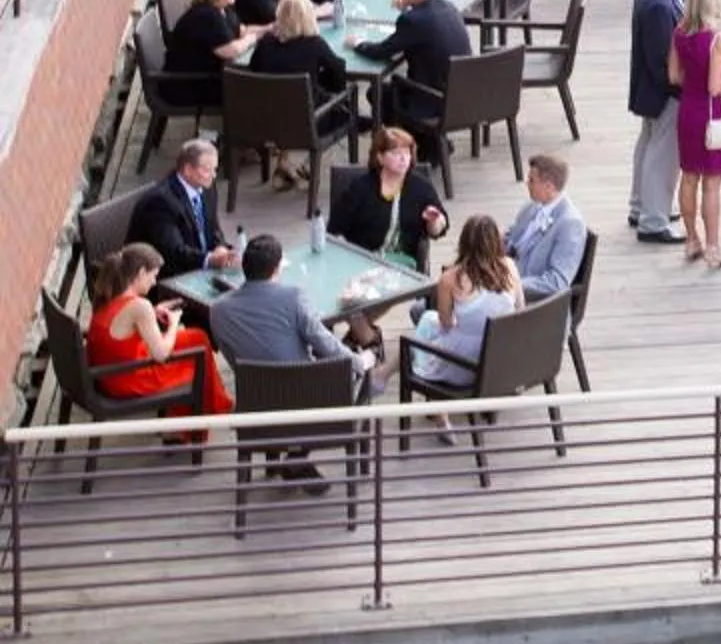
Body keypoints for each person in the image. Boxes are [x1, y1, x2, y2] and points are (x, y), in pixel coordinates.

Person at [209, 235, 378, 431]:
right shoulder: (293, 297)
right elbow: (325, 343)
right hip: (302, 399)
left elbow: (233, 358)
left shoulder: (218, 311)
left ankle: (294, 458)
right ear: (277, 268)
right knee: (359, 367)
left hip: (256, 402)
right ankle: (301, 454)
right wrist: (361, 361)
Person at [86, 242, 234, 421]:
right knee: (198, 359)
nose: (154, 281)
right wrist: (174, 324)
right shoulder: (140, 306)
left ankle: (215, 406)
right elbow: (161, 354)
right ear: (140, 273)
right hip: (127, 380)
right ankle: (191, 424)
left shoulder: (110, 293)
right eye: (153, 275)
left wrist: (153, 312)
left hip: (109, 373)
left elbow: (121, 323)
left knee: (197, 337)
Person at [626, 0, 696, 245]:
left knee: (648, 145)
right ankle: (653, 221)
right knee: (663, 155)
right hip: (663, 92)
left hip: (649, 89)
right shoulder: (658, 3)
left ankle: (641, 206)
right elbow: (660, 58)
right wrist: (680, 88)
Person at [669, 0, 721, 267]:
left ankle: (691, 240)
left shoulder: (680, 31)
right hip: (713, 115)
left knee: (688, 178)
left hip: (688, 110)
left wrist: (695, 80)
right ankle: (713, 248)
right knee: (711, 185)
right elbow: (715, 87)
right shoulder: (716, 39)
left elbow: (674, 76)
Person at [405, 215, 522, 388]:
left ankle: (436, 405)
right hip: (501, 361)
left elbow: (445, 323)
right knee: (429, 320)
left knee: (427, 322)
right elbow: (520, 310)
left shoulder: (450, 278)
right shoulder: (510, 267)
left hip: (464, 366)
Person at [358, 0, 469, 144]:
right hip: (460, 94)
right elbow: (419, 33)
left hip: (433, 99)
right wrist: (405, 9)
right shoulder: (449, 7)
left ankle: (420, 144)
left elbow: (381, 51)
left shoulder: (413, 20)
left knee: (377, 93)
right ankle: (424, 141)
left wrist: (357, 43)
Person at [247, 0, 359, 166]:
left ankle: (287, 161)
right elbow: (338, 69)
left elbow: (254, 71)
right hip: (307, 123)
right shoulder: (314, 44)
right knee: (344, 109)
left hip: (266, 120)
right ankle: (302, 165)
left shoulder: (265, 44)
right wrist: (334, 90)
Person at [328, 126, 449, 270]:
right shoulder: (360, 188)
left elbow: (439, 230)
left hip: (405, 266)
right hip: (363, 262)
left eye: (407, 152)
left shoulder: (421, 187)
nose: (403, 158)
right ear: (380, 157)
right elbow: (334, 230)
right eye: (396, 153)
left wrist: (434, 222)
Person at [162, 0, 267, 110]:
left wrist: (268, 29)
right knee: (255, 90)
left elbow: (242, 30)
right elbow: (231, 51)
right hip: (188, 86)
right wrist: (254, 39)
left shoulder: (222, 9)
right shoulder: (206, 17)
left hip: (207, 77)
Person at [128, 138, 237, 280]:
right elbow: (173, 252)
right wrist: (210, 259)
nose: (213, 175)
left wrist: (220, 247)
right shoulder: (161, 202)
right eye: (207, 170)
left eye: (214, 169)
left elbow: (213, 227)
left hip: (198, 264)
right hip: (166, 276)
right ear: (188, 170)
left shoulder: (206, 188)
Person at [502, 154, 589, 299]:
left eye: (532, 180)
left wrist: (511, 285)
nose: (527, 183)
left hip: (537, 303)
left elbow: (557, 281)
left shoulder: (570, 224)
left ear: (548, 186)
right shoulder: (532, 206)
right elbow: (513, 238)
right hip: (507, 275)